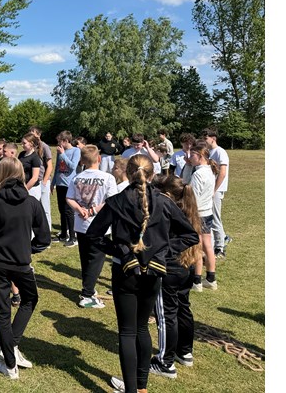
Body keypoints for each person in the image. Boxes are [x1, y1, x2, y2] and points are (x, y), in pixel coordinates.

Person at [84, 154, 198, 393]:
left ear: (127, 173)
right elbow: (190, 235)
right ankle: (140, 387)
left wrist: (123, 250)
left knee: (128, 331)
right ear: (153, 174)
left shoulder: (117, 201)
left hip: (126, 272)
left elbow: (93, 235)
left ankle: (134, 389)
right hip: (152, 273)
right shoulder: (163, 202)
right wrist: (158, 252)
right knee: (141, 328)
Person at [0, 157, 51, 380]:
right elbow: (44, 240)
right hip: (18, 263)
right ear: (21, 174)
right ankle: (9, 362)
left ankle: (11, 350)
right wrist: (26, 250)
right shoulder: (30, 202)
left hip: (0, 263)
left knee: (15, 306)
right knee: (15, 306)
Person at [150, 174, 203, 379]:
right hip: (187, 266)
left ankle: (165, 363)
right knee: (183, 307)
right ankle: (185, 352)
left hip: (170, 268)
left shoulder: (167, 211)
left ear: (167, 194)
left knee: (166, 314)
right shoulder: (189, 208)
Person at [66, 145, 118, 309]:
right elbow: (112, 200)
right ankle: (87, 295)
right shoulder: (108, 178)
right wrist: (92, 210)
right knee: (96, 260)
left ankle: (88, 287)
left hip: (81, 224)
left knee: (86, 258)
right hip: (100, 226)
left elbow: (69, 198)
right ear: (99, 159)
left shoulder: (77, 177)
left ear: (82, 161)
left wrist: (79, 209)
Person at [187, 141, 218, 291]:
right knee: (208, 245)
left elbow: (194, 197)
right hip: (207, 212)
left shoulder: (198, 173)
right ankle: (211, 278)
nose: (189, 158)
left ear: (200, 156)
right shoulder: (210, 170)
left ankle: (197, 281)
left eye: (192, 155)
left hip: (198, 214)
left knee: (197, 246)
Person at [203, 128, 232, 258]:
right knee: (211, 216)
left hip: (217, 189)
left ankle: (220, 248)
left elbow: (222, 173)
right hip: (210, 189)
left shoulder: (220, 152)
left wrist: (214, 189)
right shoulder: (208, 152)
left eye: (206, 138)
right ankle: (221, 239)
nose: (204, 140)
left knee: (215, 217)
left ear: (213, 138)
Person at [52, 131, 81, 246]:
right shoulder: (60, 151)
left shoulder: (75, 151)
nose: (58, 144)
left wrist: (63, 154)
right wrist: (53, 182)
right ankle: (63, 234)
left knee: (69, 211)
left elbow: (73, 166)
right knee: (61, 210)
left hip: (69, 184)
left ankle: (73, 237)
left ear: (66, 141)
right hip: (60, 184)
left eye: (60, 142)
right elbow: (57, 167)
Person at [30, 126, 54, 226]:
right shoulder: (31, 147)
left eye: (33, 132)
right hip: (34, 181)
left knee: (45, 207)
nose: (31, 134)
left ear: (39, 134)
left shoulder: (44, 146)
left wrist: (44, 182)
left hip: (43, 181)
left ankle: (47, 229)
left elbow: (50, 166)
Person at [18, 133, 43, 201]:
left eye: (24, 143)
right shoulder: (21, 154)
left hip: (32, 189)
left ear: (31, 143)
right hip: (22, 186)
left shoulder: (35, 157)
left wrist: (25, 189)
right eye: (22, 143)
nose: (22, 145)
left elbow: (35, 178)